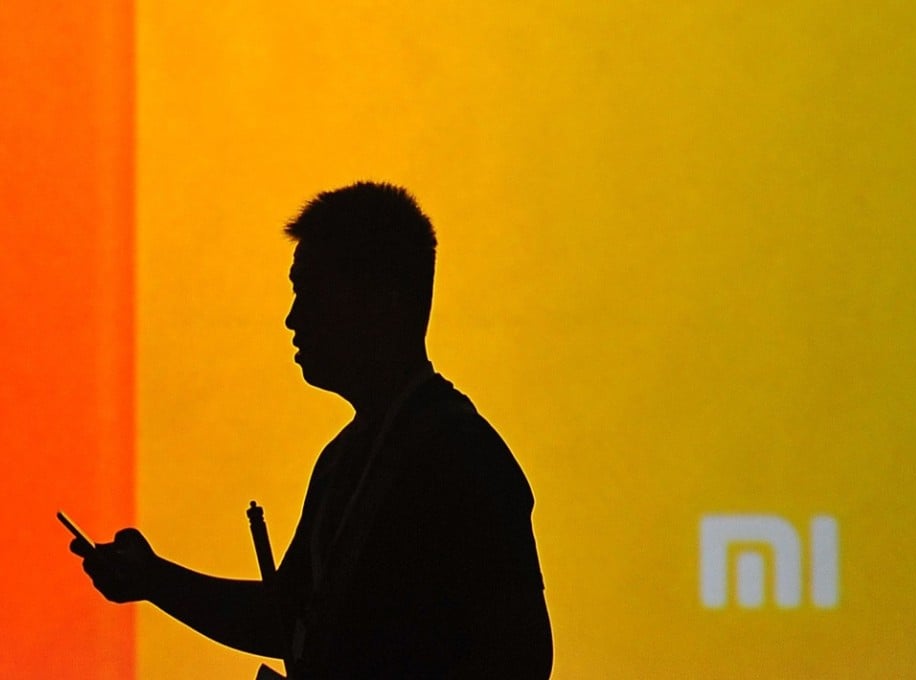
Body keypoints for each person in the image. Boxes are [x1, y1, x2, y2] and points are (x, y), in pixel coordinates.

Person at [69, 182, 553, 679]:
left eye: (313, 294)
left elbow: (522, 659)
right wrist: (153, 579)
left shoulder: (462, 458)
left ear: (381, 302)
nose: (293, 319)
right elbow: (289, 613)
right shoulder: (344, 461)